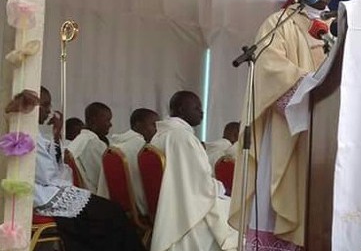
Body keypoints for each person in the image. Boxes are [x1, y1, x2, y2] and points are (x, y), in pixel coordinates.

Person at [229, 0, 335, 250]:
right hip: (287, 138)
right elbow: (269, 73)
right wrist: (315, 86)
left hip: (327, 140)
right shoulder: (278, 24)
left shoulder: (340, 28)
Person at [35, 87, 145, 251]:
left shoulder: (38, 135)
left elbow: (55, 170)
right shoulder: (26, 136)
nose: (49, 111)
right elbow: (48, 176)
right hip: (43, 196)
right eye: (45, 105)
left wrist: (57, 135)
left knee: (112, 213)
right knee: (113, 214)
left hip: (57, 189)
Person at [149, 91, 238, 251]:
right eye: (197, 107)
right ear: (182, 109)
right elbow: (200, 185)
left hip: (173, 201)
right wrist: (224, 189)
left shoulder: (160, 135)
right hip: (186, 212)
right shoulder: (182, 137)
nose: (201, 112)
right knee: (237, 211)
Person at [97, 108, 159, 215]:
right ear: (138, 125)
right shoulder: (144, 149)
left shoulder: (115, 147)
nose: (157, 130)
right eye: (153, 125)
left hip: (119, 210)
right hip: (143, 211)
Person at [66, 102, 112, 193]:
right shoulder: (93, 143)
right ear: (94, 120)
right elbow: (105, 179)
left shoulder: (79, 140)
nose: (110, 124)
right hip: (92, 197)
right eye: (107, 120)